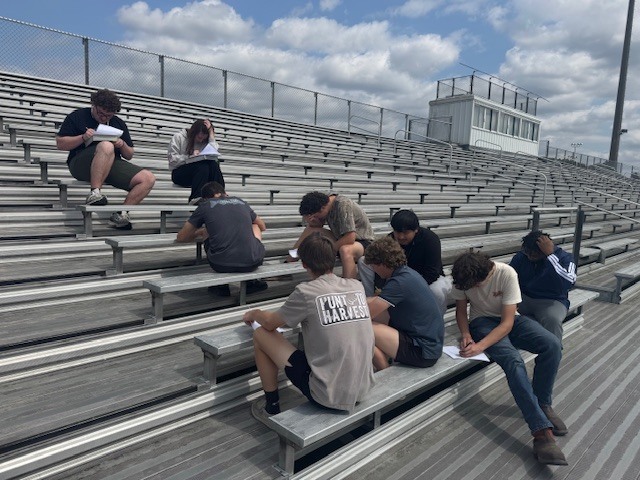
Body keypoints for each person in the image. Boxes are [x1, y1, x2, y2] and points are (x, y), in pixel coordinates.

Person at [450, 252, 568, 466]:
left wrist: (480, 346)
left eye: (477, 285)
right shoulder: (462, 276)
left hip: (510, 319)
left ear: (488, 273)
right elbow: (461, 311)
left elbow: (507, 323)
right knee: (513, 361)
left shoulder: (506, 273)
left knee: (552, 345)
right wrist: (467, 335)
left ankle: (543, 403)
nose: (474, 289)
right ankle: (541, 432)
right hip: (481, 322)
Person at [245, 233, 375, 419]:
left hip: (329, 396)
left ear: (304, 264)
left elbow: (269, 323)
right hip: (362, 388)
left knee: (260, 334)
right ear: (333, 259)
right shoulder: (357, 286)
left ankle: (271, 407)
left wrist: (254, 313)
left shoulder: (306, 292)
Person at [56, 88, 156, 230]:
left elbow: (129, 154)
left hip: (110, 163)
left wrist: (122, 145)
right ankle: (95, 193)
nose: (103, 118)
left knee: (148, 178)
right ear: (94, 105)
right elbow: (60, 144)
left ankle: (122, 213)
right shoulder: (77, 116)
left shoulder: (118, 123)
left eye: (108, 116)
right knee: (106, 146)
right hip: (80, 163)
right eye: (100, 113)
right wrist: (83, 137)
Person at [364, 237, 444, 371]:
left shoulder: (399, 282)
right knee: (374, 311)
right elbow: (374, 302)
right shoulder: (406, 273)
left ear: (382, 264)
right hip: (428, 343)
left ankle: (384, 371)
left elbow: (366, 314)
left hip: (423, 351)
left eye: (373, 266)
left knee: (364, 328)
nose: (373, 270)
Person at [176, 181, 267, 296]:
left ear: (205, 198)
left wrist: (198, 232)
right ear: (225, 193)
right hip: (254, 262)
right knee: (255, 225)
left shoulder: (205, 205)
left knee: (206, 231)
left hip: (220, 264)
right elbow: (262, 226)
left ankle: (221, 286)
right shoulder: (240, 202)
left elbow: (181, 237)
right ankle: (251, 283)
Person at [358, 209, 450, 314]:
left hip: (426, 278)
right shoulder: (391, 239)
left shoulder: (430, 239)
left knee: (438, 291)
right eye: (397, 232)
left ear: (416, 230)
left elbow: (432, 272)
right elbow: (382, 265)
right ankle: (371, 299)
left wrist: (407, 288)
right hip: (397, 276)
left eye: (406, 233)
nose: (401, 237)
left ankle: (437, 317)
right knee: (363, 261)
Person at [510, 231, 576, 343]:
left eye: (534, 253)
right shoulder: (522, 256)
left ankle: (553, 353)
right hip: (524, 297)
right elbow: (509, 278)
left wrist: (550, 256)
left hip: (552, 300)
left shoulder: (564, 257)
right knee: (499, 307)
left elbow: (568, 282)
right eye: (527, 252)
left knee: (553, 320)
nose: (530, 256)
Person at [289, 192, 375, 279]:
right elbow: (317, 227)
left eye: (315, 215)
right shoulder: (322, 204)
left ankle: (348, 285)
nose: (314, 217)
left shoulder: (342, 205)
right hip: (341, 238)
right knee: (310, 229)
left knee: (345, 250)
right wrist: (313, 223)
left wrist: (328, 250)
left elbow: (350, 238)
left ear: (322, 208)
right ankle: (292, 258)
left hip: (363, 242)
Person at [168, 118, 225, 204]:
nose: (201, 140)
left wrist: (211, 134)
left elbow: (214, 151)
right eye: (199, 137)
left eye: (204, 138)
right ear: (194, 132)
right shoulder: (179, 137)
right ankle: (195, 198)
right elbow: (172, 160)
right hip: (180, 173)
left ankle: (220, 194)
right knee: (202, 166)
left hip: (201, 175)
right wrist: (189, 157)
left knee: (213, 164)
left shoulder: (206, 141)